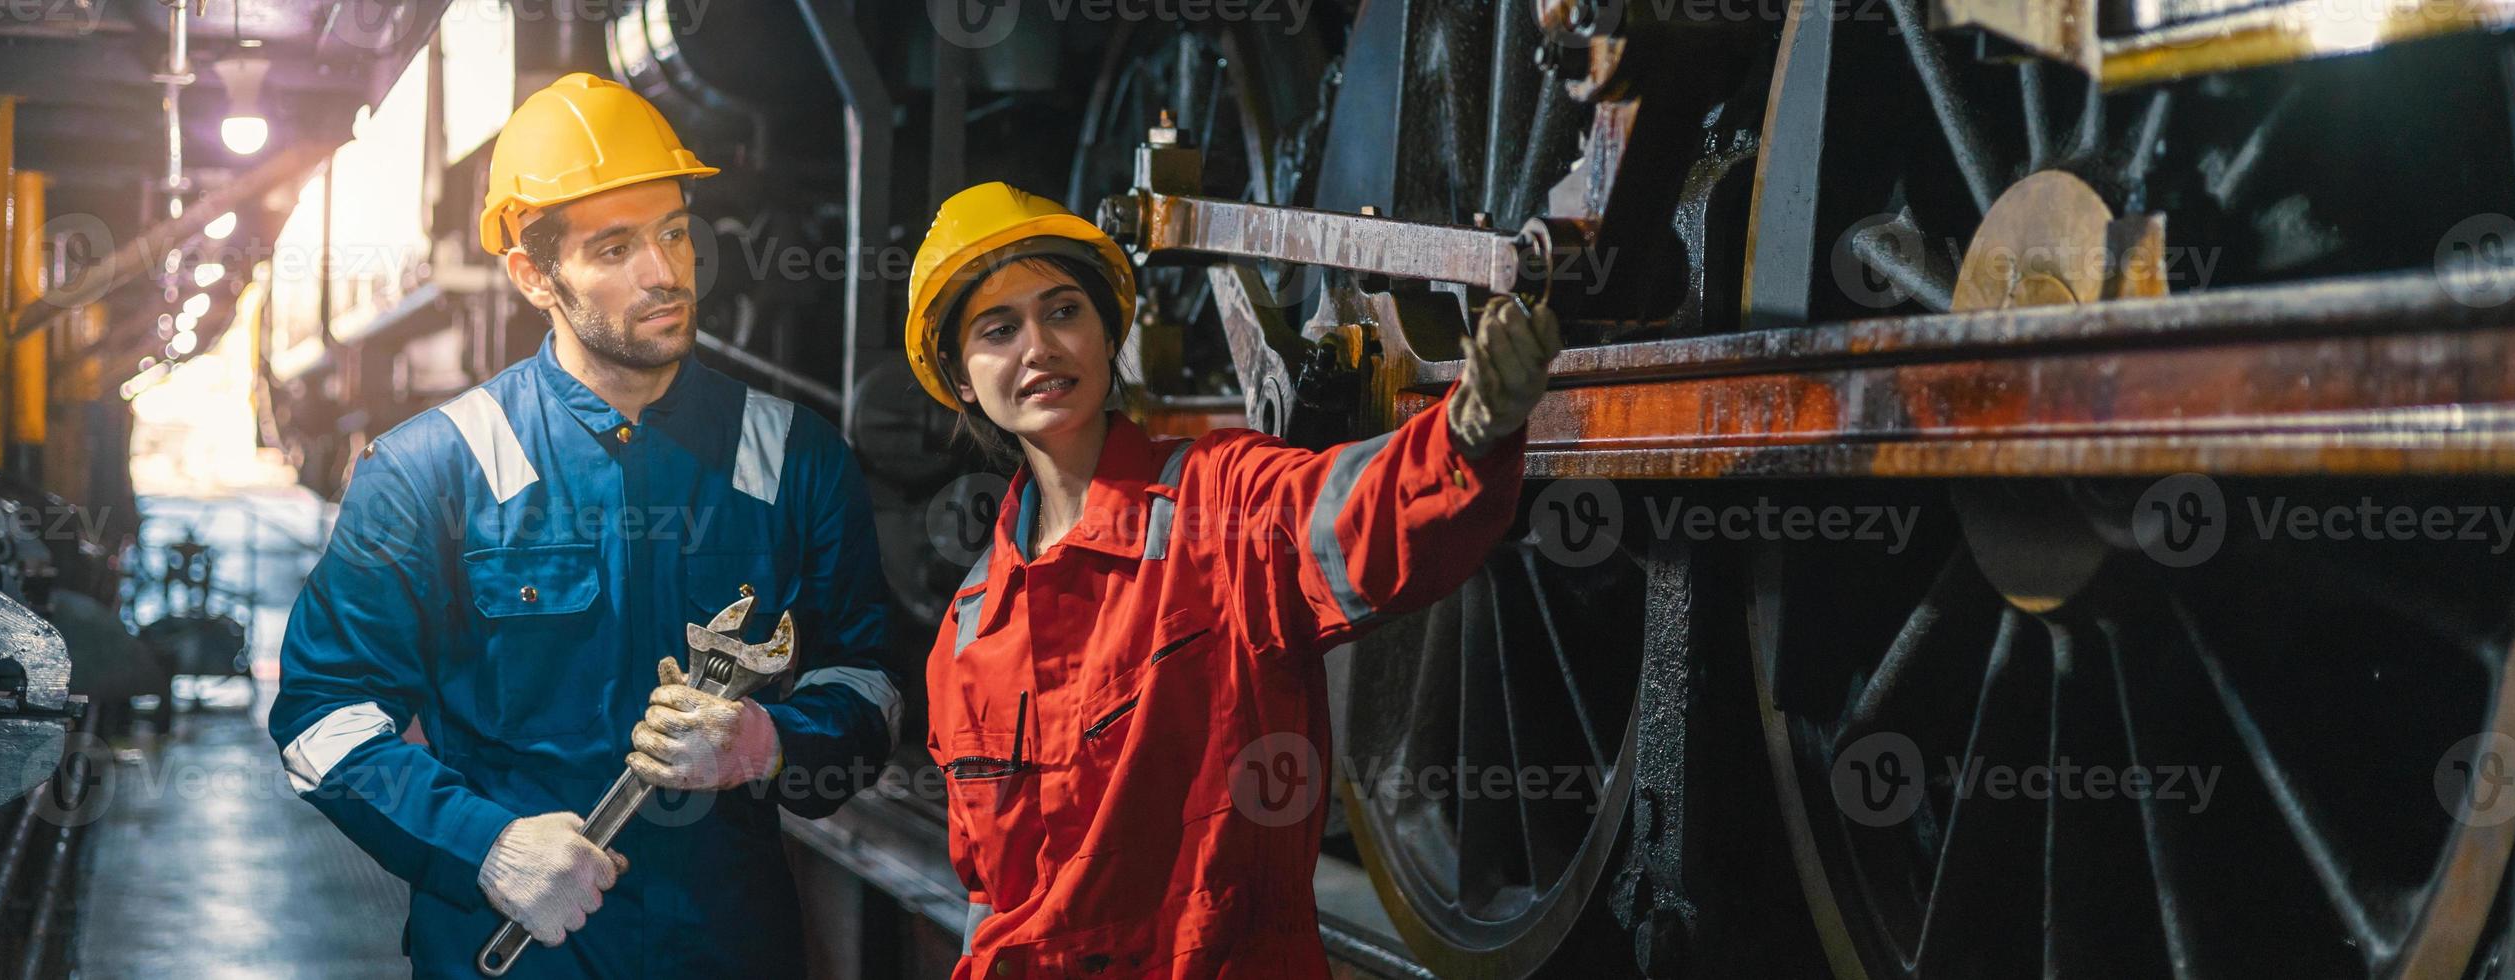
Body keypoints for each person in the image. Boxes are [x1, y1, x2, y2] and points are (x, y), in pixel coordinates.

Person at [268, 73, 899, 978]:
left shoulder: (793, 455)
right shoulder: (431, 469)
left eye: (674, 233)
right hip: (516, 950)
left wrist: (768, 744)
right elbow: (322, 718)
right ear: (533, 275)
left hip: (724, 949)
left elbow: (868, 684)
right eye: (614, 248)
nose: (664, 272)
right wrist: (483, 845)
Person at [907, 182, 1561, 978]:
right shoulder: (971, 632)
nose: (1039, 347)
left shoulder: (1218, 504)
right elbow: (989, 900)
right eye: (999, 330)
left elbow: (1350, 517)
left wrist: (1467, 430)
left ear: (1108, 334)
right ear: (964, 380)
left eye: (1064, 311)